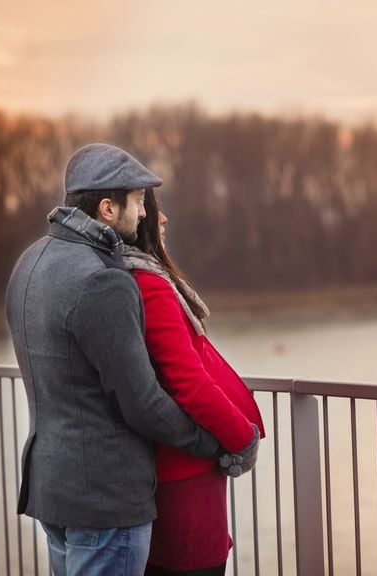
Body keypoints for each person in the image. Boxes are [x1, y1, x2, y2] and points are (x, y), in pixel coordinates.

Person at [5, 143, 259, 576]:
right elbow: (142, 401)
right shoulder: (104, 280)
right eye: (138, 201)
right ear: (107, 207)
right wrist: (211, 443)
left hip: (53, 487)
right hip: (104, 496)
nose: (145, 213)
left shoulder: (31, 263)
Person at [122, 188, 265, 576]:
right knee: (198, 564)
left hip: (172, 472)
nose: (163, 219)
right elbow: (187, 381)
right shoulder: (149, 285)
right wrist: (243, 438)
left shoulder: (133, 280)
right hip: (183, 477)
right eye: (151, 209)